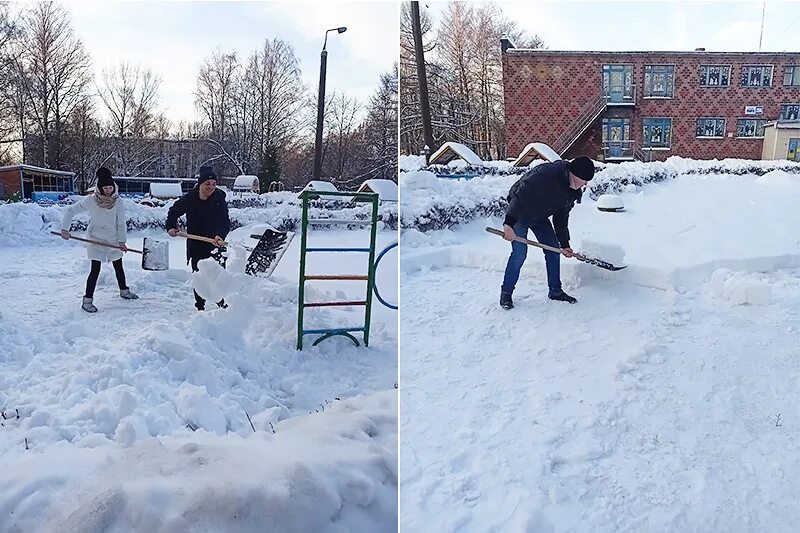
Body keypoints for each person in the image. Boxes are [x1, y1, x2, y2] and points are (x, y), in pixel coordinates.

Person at [499, 156, 595, 310]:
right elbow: (520, 196)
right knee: (519, 254)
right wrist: (509, 224)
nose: (586, 184)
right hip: (520, 213)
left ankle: (555, 291)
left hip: (539, 215)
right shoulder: (545, 174)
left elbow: (561, 218)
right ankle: (506, 293)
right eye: (584, 180)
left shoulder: (573, 192)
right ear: (576, 175)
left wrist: (565, 244)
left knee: (553, 249)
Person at [61, 167, 139, 313]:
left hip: (113, 239)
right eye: (105, 187)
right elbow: (70, 210)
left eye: (110, 187)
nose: (108, 190)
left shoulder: (118, 202)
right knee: (95, 270)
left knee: (118, 267)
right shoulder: (91, 200)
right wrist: (65, 229)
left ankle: (124, 291)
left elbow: (121, 223)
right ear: (100, 188)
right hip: (95, 239)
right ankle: (87, 301)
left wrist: (122, 241)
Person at [165, 165, 230, 310]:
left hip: (215, 243)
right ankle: (200, 306)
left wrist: (220, 234)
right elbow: (173, 211)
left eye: (213, 184)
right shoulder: (190, 199)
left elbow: (225, 221)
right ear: (200, 184)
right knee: (199, 276)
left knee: (218, 275)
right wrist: (171, 226)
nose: (211, 187)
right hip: (196, 244)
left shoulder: (219, 199)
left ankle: (221, 303)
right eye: (207, 184)